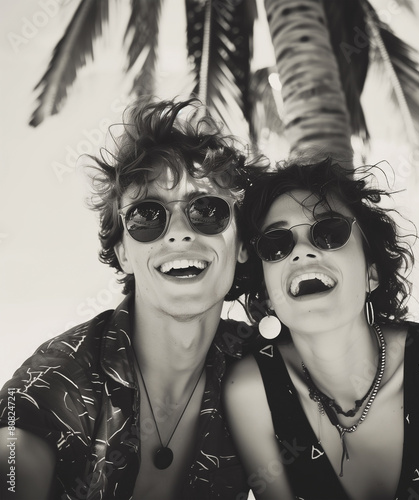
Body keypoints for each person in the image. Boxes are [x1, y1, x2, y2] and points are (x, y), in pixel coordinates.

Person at [0, 98, 266, 499]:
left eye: (207, 210)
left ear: (243, 242)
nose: (178, 233)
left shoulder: (261, 363)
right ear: (123, 252)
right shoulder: (60, 381)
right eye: (146, 216)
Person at [224, 158, 419, 499]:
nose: (303, 251)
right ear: (266, 294)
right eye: (276, 244)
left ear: (371, 274)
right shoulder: (253, 395)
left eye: (329, 232)